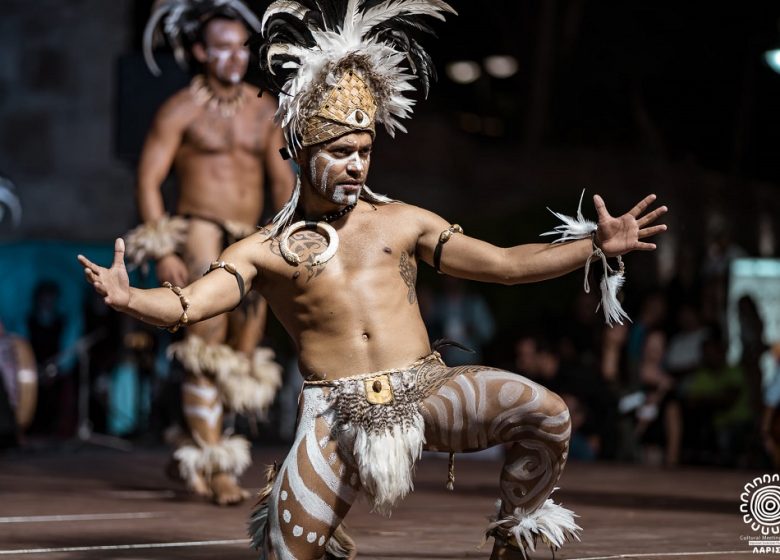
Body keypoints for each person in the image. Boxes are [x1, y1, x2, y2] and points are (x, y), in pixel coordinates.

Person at [79, 1, 668, 557]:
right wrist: (131, 298)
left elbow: (507, 265)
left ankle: (512, 536)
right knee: (287, 551)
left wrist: (594, 244)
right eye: (340, 151)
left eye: (365, 149)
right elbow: (188, 305)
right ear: (303, 153)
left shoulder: (404, 221)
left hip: (427, 392)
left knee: (548, 414)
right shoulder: (264, 250)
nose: (357, 164)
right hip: (334, 415)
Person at [125, 0, 296, 505]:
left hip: (250, 235)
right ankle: (217, 461)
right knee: (206, 339)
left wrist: (284, 237)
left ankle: (191, 442)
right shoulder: (181, 109)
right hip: (200, 227)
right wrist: (161, 248)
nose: (235, 58)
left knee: (242, 351)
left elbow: (282, 180)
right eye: (222, 47)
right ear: (200, 51)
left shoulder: (265, 110)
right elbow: (149, 179)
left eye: (243, 47)